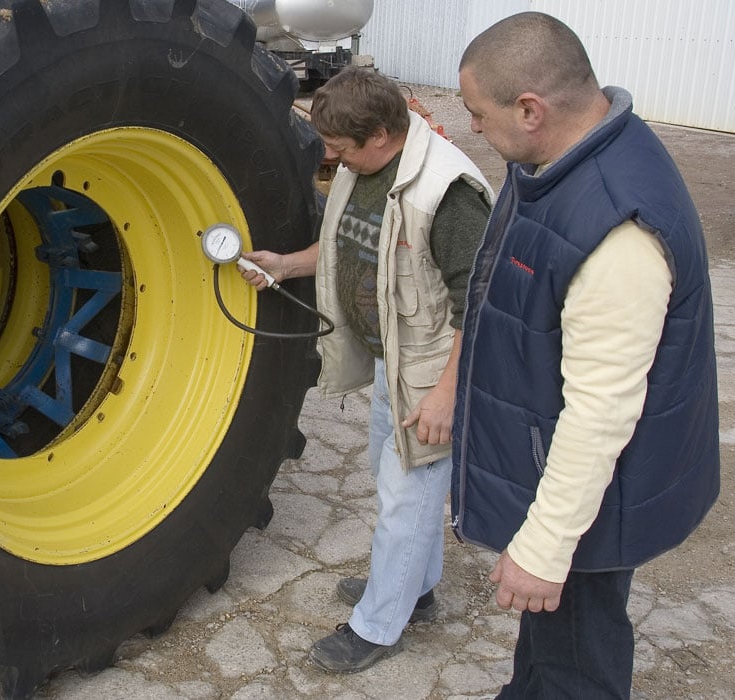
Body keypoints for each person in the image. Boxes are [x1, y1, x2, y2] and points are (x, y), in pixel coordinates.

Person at [453, 12, 721, 698]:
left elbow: (602, 412)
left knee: (579, 666)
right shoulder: (556, 159)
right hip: (561, 482)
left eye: (478, 114)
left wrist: (543, 548)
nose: (473, 130)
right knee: (549, 653)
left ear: (531, 109)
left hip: (592, 506)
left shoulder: (615, 231)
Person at [240, 67, 493, 672]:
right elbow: (350, 244)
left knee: (409, 495)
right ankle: (416, 590)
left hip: (431, 374)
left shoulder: (448, 193)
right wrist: (283, 263)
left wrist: (445, 397)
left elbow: (480, 309)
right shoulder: (365, 170)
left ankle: (377, 626)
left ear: (380, 134)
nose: (331, 159)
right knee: (398, 490)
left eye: (339, 148)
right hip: (390, 358)